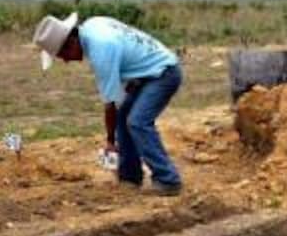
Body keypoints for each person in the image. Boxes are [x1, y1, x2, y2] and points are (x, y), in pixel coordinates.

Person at [33, 12, 183, 195]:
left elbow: (111, 104)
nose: (65, 61)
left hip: (163, 73)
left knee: (137, 122)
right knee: (124, 118)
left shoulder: (101, 49)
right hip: (146, 74)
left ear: (71, 41)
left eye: (62, 54)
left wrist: (111, 141)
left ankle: (168, 180)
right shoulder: (93, 25)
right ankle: (130, 177)